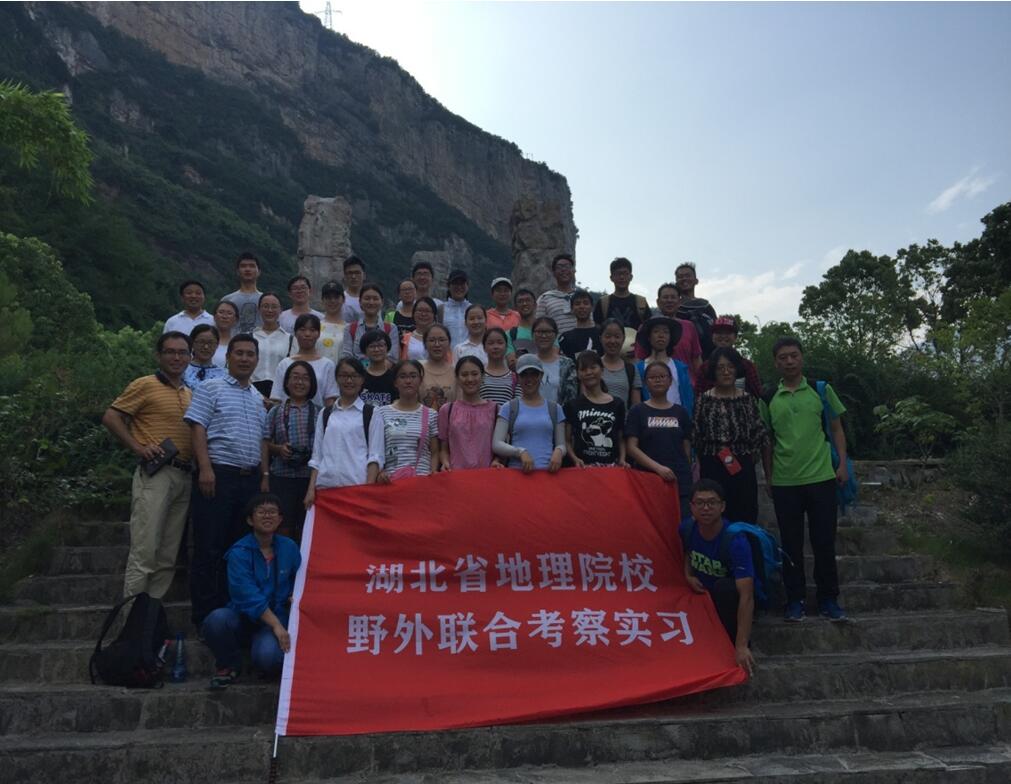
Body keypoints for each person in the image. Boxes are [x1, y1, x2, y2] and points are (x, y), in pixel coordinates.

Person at [760, 337, 849, 623]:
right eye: (783, 357)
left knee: (824, 541)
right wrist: (769, 476)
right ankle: (794, 599)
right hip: (785, 481)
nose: (789, 361)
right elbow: (766, 441)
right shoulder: (768, 397)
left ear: (802, 358)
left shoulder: (821, 390)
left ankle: (828, 599)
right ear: (776, 362)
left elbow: (836, 428)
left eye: (793, 355)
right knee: (791, 544)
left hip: (821, 476)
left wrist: (842, 464)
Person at [102, 331, 194, 599]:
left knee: (167, 555)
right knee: (145, 550)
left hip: (184, 475)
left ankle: (150, 616)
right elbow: (111, 417)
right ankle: (131, 618)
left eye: (182, 352)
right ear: (158, 355)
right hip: (157, 473)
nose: (176, 357)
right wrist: (138, 447)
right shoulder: (144, 384)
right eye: (170, 352)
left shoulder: (189, 392)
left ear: (190, 357)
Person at [184, 334, 267, 627]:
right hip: (218, 475)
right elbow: (197, 427)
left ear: (257, 360)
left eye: (250, 354)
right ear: (228, 357)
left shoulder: (257, 397)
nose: (245, 358)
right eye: (239, 353)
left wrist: (263, 477)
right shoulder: (211, 387)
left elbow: (262, 440)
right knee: (209, 546)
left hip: (249, 480)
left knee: (239, 549)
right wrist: (205, 468)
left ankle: (232, 616)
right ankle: (205, 618)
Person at [201, 493, 301, 689]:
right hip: (244, 618)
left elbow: (300, 580)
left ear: (280, 519)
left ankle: (262, 652)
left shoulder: (289, 548)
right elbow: (246, 595)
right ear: (250, 520)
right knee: (216, 620)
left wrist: (294, 596)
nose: (267, 516)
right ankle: (229, 664)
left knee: (268, 658)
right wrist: (276, 626)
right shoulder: (239, 552)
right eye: (261, 512)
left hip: (277, 618)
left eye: (272, 512)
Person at [682, 479, 756, 677]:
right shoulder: (687, 529)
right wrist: (688, 575)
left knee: (725, 588)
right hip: (703, 595)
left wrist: (741, 645)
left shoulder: (736, 541)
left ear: (722, 506)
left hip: (729, 599)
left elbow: (747, 596)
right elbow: (687, 551)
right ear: (691, 507)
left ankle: (732, 643)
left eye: (712, 502)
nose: (706, 508)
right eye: (700, 503)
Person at [692, 348, 768, 524]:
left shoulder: (748, 400)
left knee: (745, 513)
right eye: (720, 368)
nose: (726, 372)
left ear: (737, 369)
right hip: (712, 463)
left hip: (743, 464)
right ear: (713, 371)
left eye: (730, 367)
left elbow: (760, 435)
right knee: (713, 515)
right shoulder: (703, 400)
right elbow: (696, 435)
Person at [304, 358, 384, 507]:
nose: (349, 380)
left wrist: (368, 490)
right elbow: (317, 456)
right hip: (325, 490)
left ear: (362, 379)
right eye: (344, 375)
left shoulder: (371, 413)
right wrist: (310, 489)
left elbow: (375, 456)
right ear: (336, 379)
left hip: (356, 489)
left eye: (354, 376)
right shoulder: (325, 413)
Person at [625, 360, 693, 514]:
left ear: (670, 381)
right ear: (645, 382)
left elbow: (686, 447)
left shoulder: (681, 412)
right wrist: (658, 468)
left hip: (679, 479)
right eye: (652, 377)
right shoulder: (638, 411)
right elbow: (631, 447)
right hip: (648, 478)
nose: (658, 380)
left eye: (662, 376)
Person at [261, 361, 318, 543]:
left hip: (309, 479)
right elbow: (265, 443)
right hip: (281, 477)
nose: (300, 382)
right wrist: (279, 450)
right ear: (286, 382)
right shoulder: (276, 411)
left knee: (305, 528)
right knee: (282, 526)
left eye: (305, 378)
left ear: (312, 384)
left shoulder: (319, 413)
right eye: (295, 377)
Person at [492, 355, 566, 472]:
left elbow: (561, 444)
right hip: (517, 475)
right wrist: (520, 452)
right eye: (524, 374)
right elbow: (496, 444)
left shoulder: (555, 409)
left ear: (541, 375)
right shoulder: (508, 407)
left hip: (548, 475)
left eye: (534, 374)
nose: (529, 379)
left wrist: (559, 451)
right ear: (517, 377)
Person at [374, 360, 440, 480]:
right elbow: (377, 450)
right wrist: (380, 472)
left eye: (413, 376)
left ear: (420, 380)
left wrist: (433, 472)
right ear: (395, 382)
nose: (408, 381)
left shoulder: (431, 414)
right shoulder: (381, 413)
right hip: (391, 481)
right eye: (402, 376)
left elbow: (434, 452)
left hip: (422, 480)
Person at [564, 350, 627, 467]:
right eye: (583, 369)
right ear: (578, 374)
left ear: (602, 370)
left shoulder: (617, 404)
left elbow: (621, 438)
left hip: (611, 469)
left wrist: (622, 459)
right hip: (583, 469)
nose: (589, 372)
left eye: (593, 368)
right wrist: (575, 459)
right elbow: (567, 440)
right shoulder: (572, 405)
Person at [438, 356, 499, 470]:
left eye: (475, 374)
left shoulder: (495, 409)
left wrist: (497, 461)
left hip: (487, 475)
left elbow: (499, 449)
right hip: (457, 475)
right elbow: (443, 449)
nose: (470, 379)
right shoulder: (447, 410)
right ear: (457, 378)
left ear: (483, 376)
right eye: (464, 375)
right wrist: (445, 462)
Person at [272, 314, 338, 408]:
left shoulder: (328, 365)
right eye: (302, 329)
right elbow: (276, 399)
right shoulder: (284, 364)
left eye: (312, 330)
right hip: (287, 415)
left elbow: (330, 399)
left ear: (319, 334)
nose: (307, 334)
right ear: (295, 333)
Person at [635, 316, 695, 417]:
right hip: (650, 421)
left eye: (666, 332)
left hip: (677, 420)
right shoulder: (639, 368)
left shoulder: (680, 368)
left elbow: (688, 399)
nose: (661, 335)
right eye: (656, 331)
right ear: (649, 337)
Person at [641, 282, 703, 371]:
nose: (669, 301)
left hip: (686, 378)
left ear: (679, 301)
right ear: (658, 302)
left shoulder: (689, 326)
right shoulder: (646, 327)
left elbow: (696, 358)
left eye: (673, 297)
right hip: (654, 378)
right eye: (665, 297)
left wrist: (701, 378)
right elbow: (640, 358)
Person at [696, 317, 762, 398]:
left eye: (728, 332)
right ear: (712, 337)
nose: (723, 336)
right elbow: (698, 397)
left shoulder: (747, 366)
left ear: (735, 337)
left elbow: (758, 395)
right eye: (719, 332)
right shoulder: (704, 368)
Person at [341, 283, 400, 363]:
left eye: (375, 299)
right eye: (367, 298)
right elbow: (347, 357)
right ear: (360, 302)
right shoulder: (350, 329)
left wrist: (375, 368)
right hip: (357, 371)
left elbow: (392, 358)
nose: (371, 302)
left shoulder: (391, 328)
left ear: (382, 302)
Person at [251, 293, 293, 398]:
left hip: (281, 393)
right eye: (265, 306)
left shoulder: (290, 339)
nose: (269, 310)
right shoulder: (250, 337)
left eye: (274, 307)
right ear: (259, 309)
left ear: (281, 310)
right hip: (252, 392)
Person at [592, 257, 651, 330]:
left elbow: (650, 327)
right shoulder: (603, 303)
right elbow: (597, 327)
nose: (622, 277)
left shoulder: (641, 302)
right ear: (611, 278)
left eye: (625, 273)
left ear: (631, 277)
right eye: (618, 274)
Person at [674, 262, 718, 359]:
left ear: (696, 280)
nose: (684, 279)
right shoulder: (673, 308)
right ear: (676, 282)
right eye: (680, 277)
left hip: (709, 358)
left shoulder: (706, 306)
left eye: (688, 276)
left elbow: (717, 331)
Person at [532, 316, 578, 407]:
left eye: (548, 332)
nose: (544, 336)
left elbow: (571, 397)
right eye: (539, 332)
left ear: (556, 335)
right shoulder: (527, 362)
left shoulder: (567, 364)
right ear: (532, 335)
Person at [599, 318, 641, 408]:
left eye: (617, 337)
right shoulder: (593, 366)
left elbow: (636, 406)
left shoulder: (631, 369)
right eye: (608, 336)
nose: (612, 341)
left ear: (623, 339)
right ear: (600, 338)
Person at [535, 252, 578, 334]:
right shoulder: (544, 298)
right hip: (556, 342)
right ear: (554, 273)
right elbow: (539, 325)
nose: (563, 270)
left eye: (567, 266)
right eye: (559, 267)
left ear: (573, 271)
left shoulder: (582, 298)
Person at [223, 251, 263, 333]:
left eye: (252, 266)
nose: (247, 269)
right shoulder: (227, 300)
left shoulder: (265, 300)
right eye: (243, 266)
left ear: (259, 271)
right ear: (237, 271)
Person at [419, 323, 456, 409]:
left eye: (442, 340)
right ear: (425, 344)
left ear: (449, 343)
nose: (437, 344)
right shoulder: (418, 371)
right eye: (432, 340)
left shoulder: (456, 373)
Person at [559, 289, 603, 359]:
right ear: (572, 309)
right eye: (577, 304)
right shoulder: (565, 338)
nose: (582, 306)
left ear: (592, 307)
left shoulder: (601, 334)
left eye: (586, 303)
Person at [360, 329, 398, 407]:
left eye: (380, 345)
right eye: (372, 346)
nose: (376, 350)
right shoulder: (359, 377)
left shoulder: (395, 377)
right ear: (365, 351)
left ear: (387, 348)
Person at [479, 327, 517, 405]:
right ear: (484, 347)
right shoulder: (478, 374)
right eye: (491, 343)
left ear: (506, 347)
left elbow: (518, 404)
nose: (495, 347)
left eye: (500, 343)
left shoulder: (515, 377)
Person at [183, 325, 226, 389]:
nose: (206, 347)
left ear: (217, 345)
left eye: (210, 343)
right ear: (192, 343)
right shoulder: (182, 371)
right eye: (201, 342)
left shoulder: (224, 375)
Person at [505, 287, 538, 367]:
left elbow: (552, 356)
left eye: (528, 300)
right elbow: (512, 363)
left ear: (535, 305)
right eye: (520, 301)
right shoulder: (510, 334)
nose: (524, 304)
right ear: (515, 307)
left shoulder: (547, 330)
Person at [439, 269, 472, 347]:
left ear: (467, 286)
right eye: (455, 283)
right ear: (448, 286)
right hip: (447, 353)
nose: (459, 287)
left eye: (462, 283)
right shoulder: (441, 309)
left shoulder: (472, 309)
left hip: (470, 353)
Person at [317, 281, 346, 365]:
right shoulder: (315, 327)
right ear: (322, 300)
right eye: (328, 298)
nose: (332, 301)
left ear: (343, 300)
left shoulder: (350, 329)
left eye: (336, 297)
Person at [211, 300, 239, 368]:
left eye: (229, 313)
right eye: (221, 312)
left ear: (236, 319)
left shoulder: (238, 344)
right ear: (214, 317)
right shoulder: (205, 342)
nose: (224, 316)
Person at [340, 255, 366, 324]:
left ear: (364, 275)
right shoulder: (340, 300)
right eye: (350, 273)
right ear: (344, 276)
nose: (353, 276)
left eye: (357, 273)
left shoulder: (372, 300)